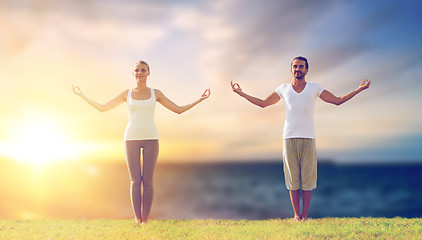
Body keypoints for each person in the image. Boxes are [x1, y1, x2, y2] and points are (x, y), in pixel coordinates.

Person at [231, 56, 370, 221]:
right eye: (295, 66)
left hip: (309, 138)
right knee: (292, 179)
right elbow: (263, 103)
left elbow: (337, 101)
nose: (298, 69)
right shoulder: (283, 89)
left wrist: (359, 89)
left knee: (308, 178)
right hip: (289, 138)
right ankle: (297, 215)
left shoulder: (314, 88)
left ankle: (305, 215)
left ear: (307, 70)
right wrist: (241, 93)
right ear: (291, 70)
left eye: (301, 67)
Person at [72, 60, 210, 224]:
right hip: (131, 138)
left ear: (148, 73)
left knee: (148, 180)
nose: (140, 72)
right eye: (137, 70)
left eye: (143, 70)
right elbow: (103, 108)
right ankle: (138, 219)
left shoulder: (156, 93)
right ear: (133, 74)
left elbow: (178, 109)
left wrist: (199, 100)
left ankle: (145, 220)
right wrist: (81, 95)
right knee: (135, 181)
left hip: (151, 138)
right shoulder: (126, 94)